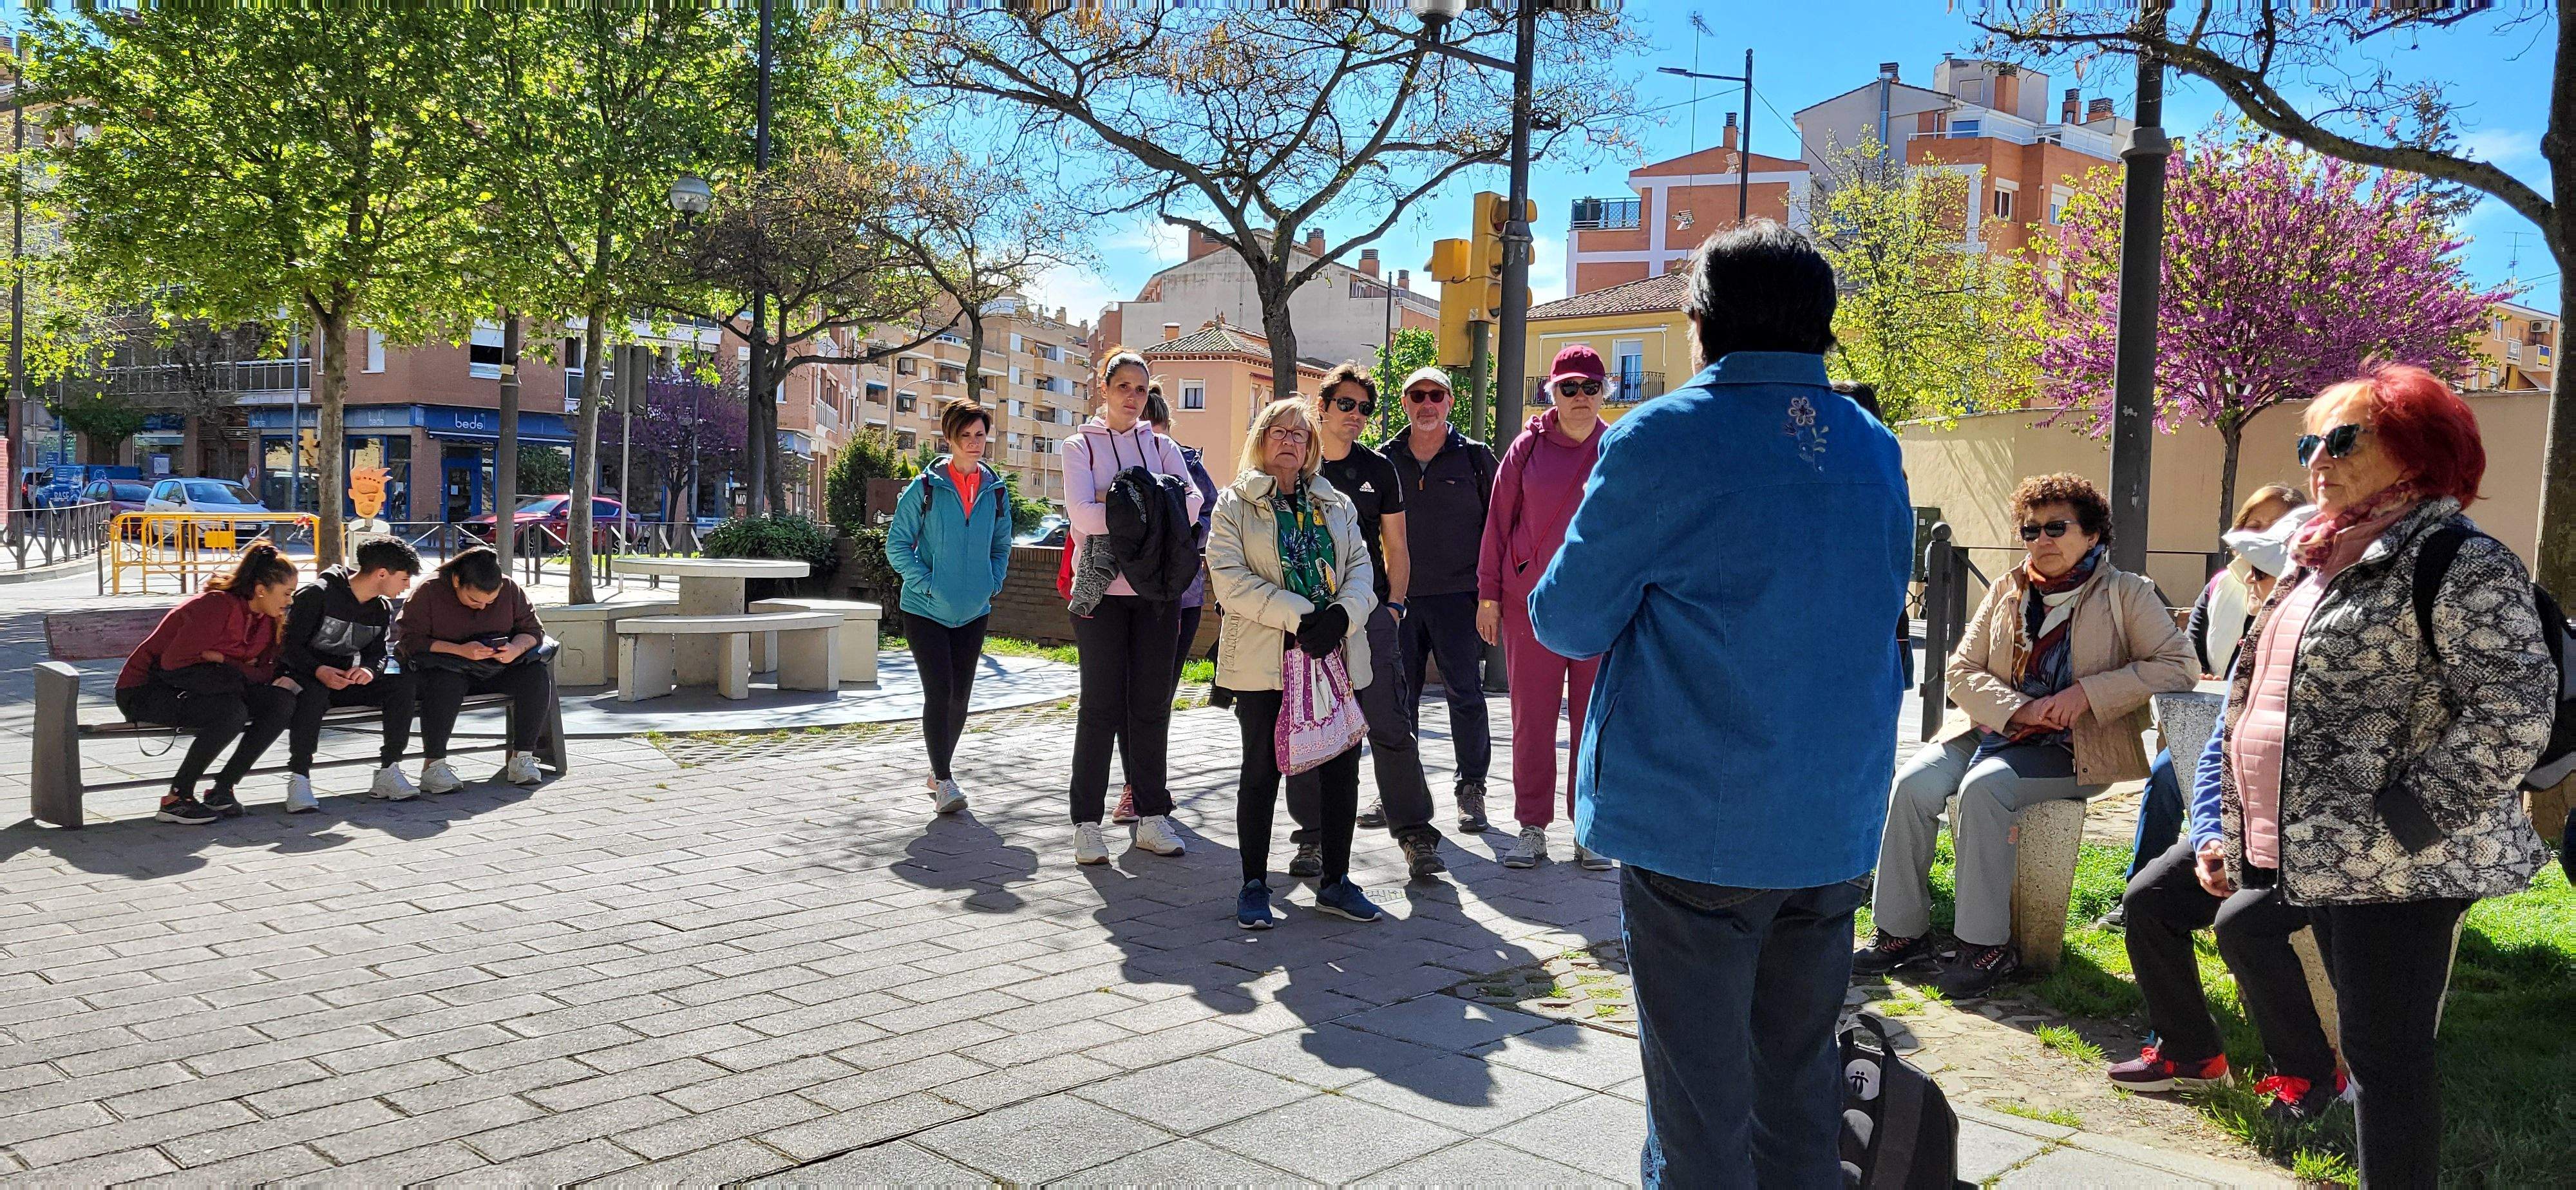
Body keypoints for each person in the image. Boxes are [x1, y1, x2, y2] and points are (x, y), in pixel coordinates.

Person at [1528, 221, 1913, 1186]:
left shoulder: (1661, 437)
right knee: (1796, 1088)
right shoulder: (1871, 444)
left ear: (1700, 323)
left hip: (1697, 814)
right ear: (1821, 329)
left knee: (1700, 1112)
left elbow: (1568, 621)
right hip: (1832, 815)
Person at [2213, 365, 2552, 1186]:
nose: (2316, 458)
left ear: (2415, 451)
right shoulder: (2315, 556)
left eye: (2341, 438)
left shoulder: (2457, 560)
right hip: (2323, 854)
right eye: (2308, 441)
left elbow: (2516, 707)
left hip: (2402, 863)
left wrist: (2409, 817)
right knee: (2368, 1051)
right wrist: (2237, 824)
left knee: (2386, 1061)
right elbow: (2255, 693)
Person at [1859, 472, 2194, 997]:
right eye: (2030, 530)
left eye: (2056, 528)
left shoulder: (2128, 593)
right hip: (1995, 730)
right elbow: (1963, 670)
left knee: (1984, 788)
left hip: (2076, 750)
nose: (2041, 541)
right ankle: (1901, 932)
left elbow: (2178, 666)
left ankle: (1985, 946)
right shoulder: (2007, 588)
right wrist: (2021, 710)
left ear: (2093, 534)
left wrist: (2087, 694)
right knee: (1912, 783)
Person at [2108, 684, 2345, 1127]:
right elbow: (2220, 747)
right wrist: (2212, 839)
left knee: (2244, 923)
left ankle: (2310, 1077)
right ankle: (2192, 1057)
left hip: (2323, 844)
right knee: (2148, 900)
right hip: (2249, 827)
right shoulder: (2263, 635)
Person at [1208, 398, 1385, 929]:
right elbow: (1229, 578)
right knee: (1260, 769)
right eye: (1278, 431)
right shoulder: (1232, 504)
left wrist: (1341, 617)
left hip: (1333, 651)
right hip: (1268, 655)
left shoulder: (1337, 503)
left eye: (1300, 434)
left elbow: (1360, 567)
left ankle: (1335, 882)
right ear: (1261, 439)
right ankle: (1254, 884)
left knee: (1341, 769)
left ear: (1311, 447)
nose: (1289, 440)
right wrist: (1299, 616)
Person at [1285, 364, 1446, 880]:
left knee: (1390, 724)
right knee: (1311, 727)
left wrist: (1395, 606)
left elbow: (1396, 547)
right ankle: (1313, 839)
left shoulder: (1379, 470)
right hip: (1307, 620)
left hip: (1369, 614)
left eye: (1365, 409)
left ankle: (1416, 834)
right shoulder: (1297, 467)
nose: (1356, 417)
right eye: (1346, 405)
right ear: (1323, 406)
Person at [2118, 487, 2311, 886]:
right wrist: (2205, 677)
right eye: (2253, 525)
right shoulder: (2221, 587)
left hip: (2261, 741)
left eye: (2273, 526)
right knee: (2166, 774)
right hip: (2208, 719)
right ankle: (2145, 875)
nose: (2261, 535)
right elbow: (2187, 655)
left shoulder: (2301, 603)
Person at [1061, 348, 1204, 865]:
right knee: (1099, 709)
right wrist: (1150, 512)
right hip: (1100, 596)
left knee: (1150, 708)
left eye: (1141, 390)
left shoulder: (1162, 445)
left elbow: (1192, 504)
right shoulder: (1079, 445)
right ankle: (1086, 825)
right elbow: (1081, 515)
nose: (1132, 398)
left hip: (1156, 595)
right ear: (1104, 387)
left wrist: (1120, 507)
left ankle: (1150, 816)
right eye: (1123, 386)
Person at [1482, 345, 1611, 871]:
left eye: (1590, 387)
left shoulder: (1619, 447)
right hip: (1528, 607)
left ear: (1605, 392)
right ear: (1552, 393)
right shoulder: (1525, 450)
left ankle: (1588, 829)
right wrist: (1488, 594)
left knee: (1594, 723)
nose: (1580, 397)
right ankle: (1532, 828)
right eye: (1569, 387)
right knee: (1531, 720)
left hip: (1600, 609)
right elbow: (1497, 523)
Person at [1383, 366, 1498, 833]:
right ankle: (1402, 795)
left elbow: (1499, 530)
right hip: (1400, 599)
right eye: (1417, 395)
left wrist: (1491, 596)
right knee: (1398, 700)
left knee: (1466, 695)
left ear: (1450, 402)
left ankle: (1471, 790)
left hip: (1459, 597)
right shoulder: (1384, 458)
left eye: (1436, 395)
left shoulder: (1475, 458)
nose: (1427, 404)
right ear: (1405, 402)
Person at [885, 401, 1014, 817]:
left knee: (961, 697)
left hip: (974, 611)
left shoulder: (996, 491)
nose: (975, 443)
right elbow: (897, 545)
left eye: (980, 435)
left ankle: (940, 770)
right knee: (939, 692)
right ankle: (944, 780)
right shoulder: (925, 488)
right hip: (925, 610)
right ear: (950, 439)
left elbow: (1002, 545)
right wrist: (927, 584)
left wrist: (991, 583)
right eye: (966, 436)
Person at [115, 542, 300, 824]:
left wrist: (223, 660)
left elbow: (265, 673)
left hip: (209, 686)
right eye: (287, 593)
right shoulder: (216, 606)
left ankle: (222, 790)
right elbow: (173, 664)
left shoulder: (268, 619)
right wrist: (238, 669)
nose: (290, 601)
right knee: (231, 711)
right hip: (147, 690)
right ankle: (177, 798)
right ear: (262, 589)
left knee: (281, 702)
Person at [1113, 386, 1219, 826]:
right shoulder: (1119, 465)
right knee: (1124, 695)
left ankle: (1143, 788)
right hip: (1126, 596)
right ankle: (1134, 787)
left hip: (1181, 599)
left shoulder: (1190, 469)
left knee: (1156, 698)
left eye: (1158, 437)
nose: (1153, 449)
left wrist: (1181, 535)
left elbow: (1210, 519)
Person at [276, 538, 423, 813]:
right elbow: (287, 646)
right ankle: (299, 778)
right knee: (313, 694)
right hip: (306, 677)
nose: (407, 586)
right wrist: (318, 670)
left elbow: (379, 652)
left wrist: (368, 670)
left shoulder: (381, 608)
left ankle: (389, 770)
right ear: (382, 573)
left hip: (344, 679)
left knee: (402, 683)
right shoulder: (316, 595)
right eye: (404, 578)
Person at [395, 547, 551, 793]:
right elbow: (410, 641)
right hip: (447, 667)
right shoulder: (429, 591)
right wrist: (460, 651)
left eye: (490, 602)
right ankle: (434, 765)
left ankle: (522, 757)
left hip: (495, 667)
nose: (481, 607)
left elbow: (533, 631)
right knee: (445, 683)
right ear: (457, 581)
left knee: (535, 675)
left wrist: (514, 648)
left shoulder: (510, 589)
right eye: (474, 600)